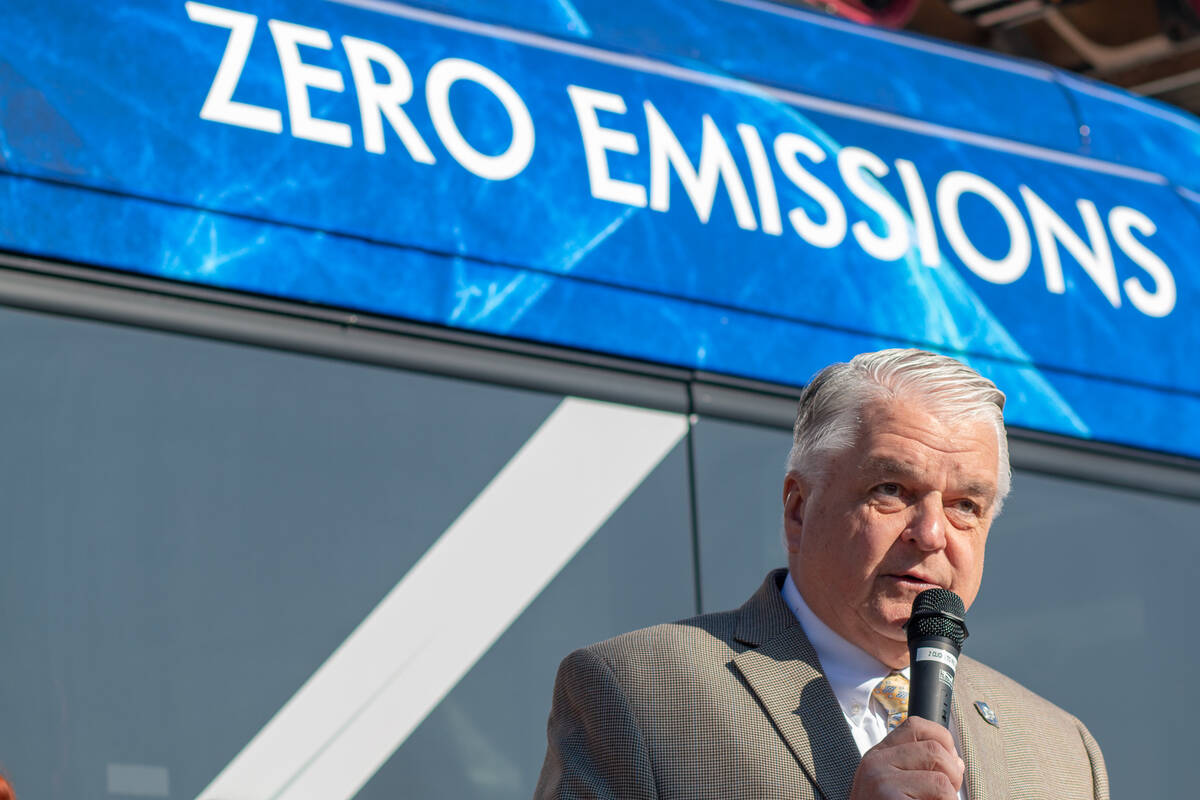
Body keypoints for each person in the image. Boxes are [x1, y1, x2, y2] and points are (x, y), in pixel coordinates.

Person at [534, 348, 1108, 800]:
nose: (931, 533)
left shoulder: (1062, 754)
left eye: (965, 506)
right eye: (892, 490)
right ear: (798, 508)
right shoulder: (638, 690)